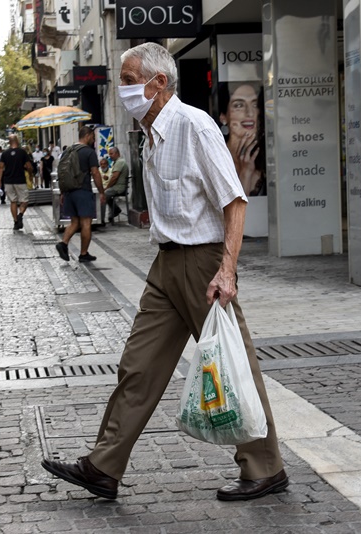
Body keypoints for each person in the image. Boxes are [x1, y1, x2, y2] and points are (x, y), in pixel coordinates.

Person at [42, 42, 287, 502]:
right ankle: (103, 466)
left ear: (159, 83)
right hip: (165, 264)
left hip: (202, 262)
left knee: (234, 365)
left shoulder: (193, 126)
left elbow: (235, 201)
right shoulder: (149, 131)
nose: (124, 90)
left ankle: (266, 467)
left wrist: (227, 271)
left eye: (130, 81)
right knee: (138, 366)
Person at [54, 126, 104, 263]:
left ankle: (63, 243)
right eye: (92, 137)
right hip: (83, 191)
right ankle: (83, 253)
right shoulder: (89, 152)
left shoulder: (67, 151)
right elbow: (95, 172)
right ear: (87, 136)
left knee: (74, 222)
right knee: (86, 223)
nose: (93, 140)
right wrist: (101, 191)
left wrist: (63, 192)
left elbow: (62, 173)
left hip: (69, 191)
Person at [218, 82, 266, 196]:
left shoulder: (269, 156)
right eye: (239, 105)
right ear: (223, 116)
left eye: (255, 105)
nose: (249, 113)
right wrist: (246, 173)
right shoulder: (217, 159)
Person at [0, 134, 33, 230]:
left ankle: (16, 221)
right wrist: (30, 175)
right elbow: (29, 166)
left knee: (13, 201)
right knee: (24, 201)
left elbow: (0, 168)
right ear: (17, 141)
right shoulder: (22, 152)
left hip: (8, 181)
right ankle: (20, 214)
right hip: (20, 180)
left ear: (9, 142)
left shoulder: (5, 154)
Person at [102, 147, 129, 224]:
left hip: (118, 188)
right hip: (116, 187)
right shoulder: (117, 162)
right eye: (109, 154)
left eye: (111, 154)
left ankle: (102, 219)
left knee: (103, 195)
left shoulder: (120, 162)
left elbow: (114, 177)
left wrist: (107, 187)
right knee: (104, 193)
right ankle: (115, 210)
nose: (110, 156)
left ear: (117, 153)